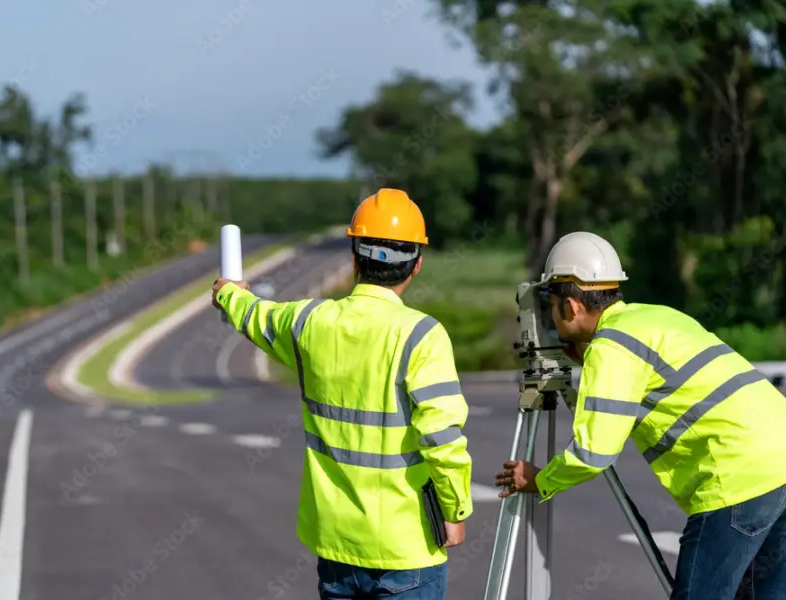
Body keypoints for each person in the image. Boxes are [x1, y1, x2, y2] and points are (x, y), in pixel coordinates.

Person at [495, 231, 786, 600]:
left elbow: (593, 453)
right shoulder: (652, 317)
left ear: (570, 306)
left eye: (550, 304)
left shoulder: (611, 349)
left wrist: (541, 479)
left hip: (736, 479)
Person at [212, 188, 472, 599]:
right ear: (417, 264)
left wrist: (229, 293)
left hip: (336, 547)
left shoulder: (309, 322)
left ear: (354, 257)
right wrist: (455, 510)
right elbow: (442, 438)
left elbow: (256, 315)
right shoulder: (423, 337)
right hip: (407, 551)